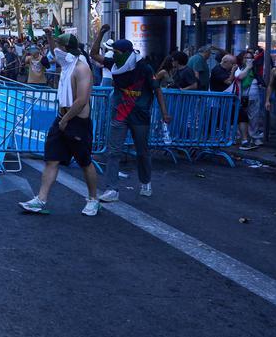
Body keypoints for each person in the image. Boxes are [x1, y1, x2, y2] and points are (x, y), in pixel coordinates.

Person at [19, 29, 101, 216]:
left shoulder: (82, 68)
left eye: (59, 46)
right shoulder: (66, 61)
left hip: (77, 121)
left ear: (67, 49)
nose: (55, 51)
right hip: (61, 118)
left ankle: (93, 199)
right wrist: (49, 36)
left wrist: (65, 120)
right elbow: (55, 49)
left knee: (84, 161)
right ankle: (40, 199)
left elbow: (81, 100)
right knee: (52, 159)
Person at [91, 25, 171, 202]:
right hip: (119, 114)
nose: (113, 54)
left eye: (116, 51)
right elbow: (94, 54)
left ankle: (145, 181)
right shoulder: (114, 64)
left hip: (140, 116)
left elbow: (157, 90)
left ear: (126, 52)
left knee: (142, 151)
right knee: (113, 152)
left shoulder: (144, 68)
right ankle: (112, 189)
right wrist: (100, 33)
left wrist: (165, 113)